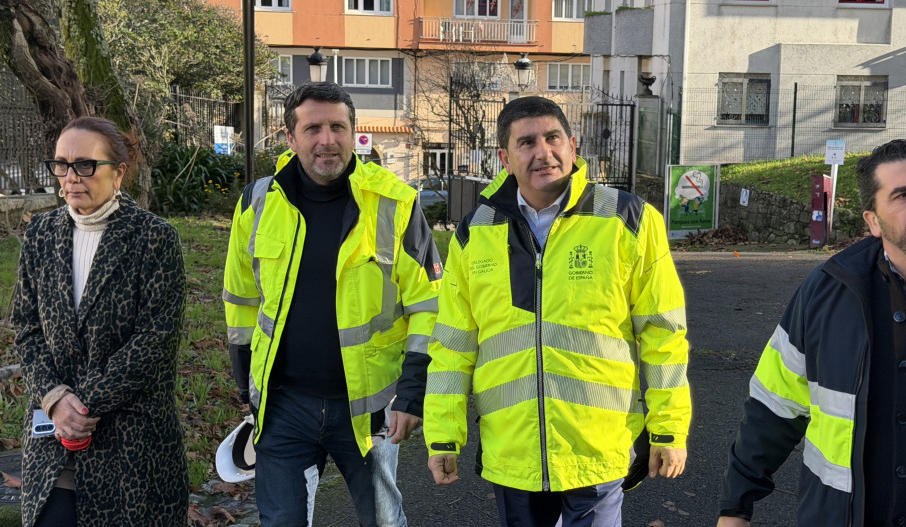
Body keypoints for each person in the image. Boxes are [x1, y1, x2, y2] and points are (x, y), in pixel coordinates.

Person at [424, 96, 691, 526]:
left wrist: (668, 428)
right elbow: (453, 345)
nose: (543, 152)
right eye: (526, 142)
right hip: (514, 455)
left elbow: (663, 334)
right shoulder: (475, 233)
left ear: (572, 144)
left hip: (597, 450)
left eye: (552, 138)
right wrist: (442, 438)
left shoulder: (629, 220)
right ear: (504, 158)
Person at [717, 138, 906, 526]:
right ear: (872, 221)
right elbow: (774, 406)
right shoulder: (827, 292)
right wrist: (735, 507)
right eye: (903, 195)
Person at [222, 81, 442, 527]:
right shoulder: (257, 203)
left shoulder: (395, 204)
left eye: (338, 127)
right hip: (284, 405)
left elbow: (428, 304)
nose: (327, 140)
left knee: (380, 521)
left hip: (369, 406)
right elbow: (242, 299)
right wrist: (247, 383)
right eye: (313, 128)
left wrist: (413, 392)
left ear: (354, 132)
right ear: (290, 137)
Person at [13, 116, 189, 526]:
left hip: (130, 444)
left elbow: (155, 339)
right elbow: (26, 327)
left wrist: (85, 402)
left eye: (85, 165)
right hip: (53, 441)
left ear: (119, 172)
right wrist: (55, 399)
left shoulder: (154, 238)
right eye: (61, 164)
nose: (70, 177)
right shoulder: (41, 233)